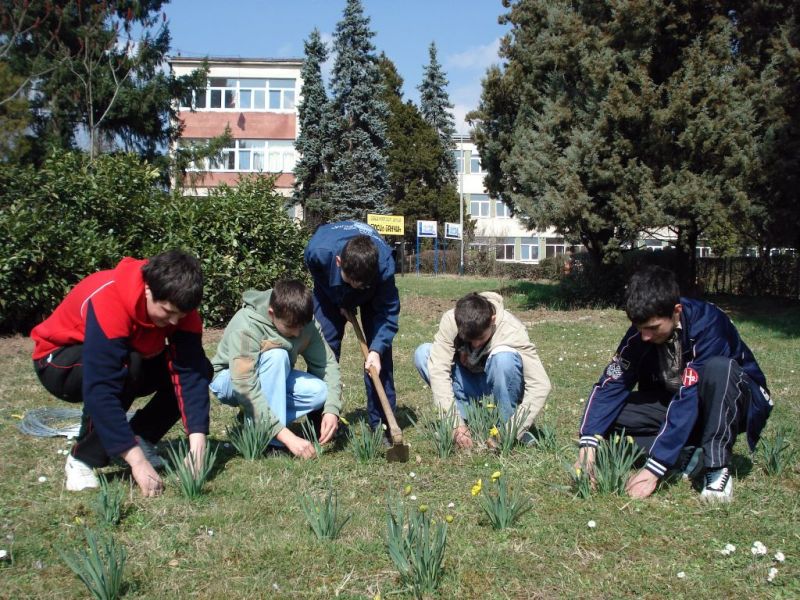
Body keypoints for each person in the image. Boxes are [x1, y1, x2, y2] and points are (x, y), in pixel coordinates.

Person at [576, 265, 773, 502]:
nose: (645, 336)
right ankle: (686, 454)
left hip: (733, 402)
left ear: (676, 311)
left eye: (652, 328)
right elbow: (613, 382)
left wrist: (653, 470)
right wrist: (588, 446)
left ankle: (716, 469)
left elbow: (689, 396)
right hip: (677, 400)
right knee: (612, 415)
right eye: (639, 328)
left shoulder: (709, 324)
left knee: (720, 368)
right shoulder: (640, 334)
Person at [31, 250, 211, 496]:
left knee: (201, 368)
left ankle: (141, 436)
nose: (173, 321)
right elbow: (101, 388)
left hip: (125, 359)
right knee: (128, 365)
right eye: (167, 312)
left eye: (180, 315)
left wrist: (197, 445)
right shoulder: (111, 298)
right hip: (58, 362)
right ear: (148, 290)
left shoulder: (181, 308)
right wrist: (137, 462)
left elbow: (190, 373)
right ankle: (82, 459)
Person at [209, 280, 342, 458]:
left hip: (269, 377)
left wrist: (332, 410)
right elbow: (244, 386)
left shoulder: (303, 321)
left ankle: (255, 422)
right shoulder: (247, 324)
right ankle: (272, 443)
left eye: (301, 327)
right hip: (229, 381)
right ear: (272, 313)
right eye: (290, 327)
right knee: (277, 355)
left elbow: (327, 366)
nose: (297, 334)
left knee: (320, 392)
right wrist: (288, 438)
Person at [413, 292, 552, 449]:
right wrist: (454, 423)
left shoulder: (511, 329)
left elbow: (541, 384)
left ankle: (504, 425)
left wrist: (513, 429)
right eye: (470, 340)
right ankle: (465, 421)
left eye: (480, 338)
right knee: (424, 353)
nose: (476, 344)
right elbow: (439, 371)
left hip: (496, 392)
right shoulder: (451, 320)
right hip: (467, 386)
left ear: (492, 320)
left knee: (504, 359)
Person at [304, 221, 400, 434]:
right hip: (329, 289)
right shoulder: (319, 252)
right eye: (352, 282)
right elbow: (316, 272)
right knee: (324, 348)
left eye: (362, 284)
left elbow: (387, 314)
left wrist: (376, 349)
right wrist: (338, 299)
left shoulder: (383, 266)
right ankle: (320, 421)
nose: (356, 288)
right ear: (338, 262)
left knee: (379, 358)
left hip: (372, 293)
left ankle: (382, 425)